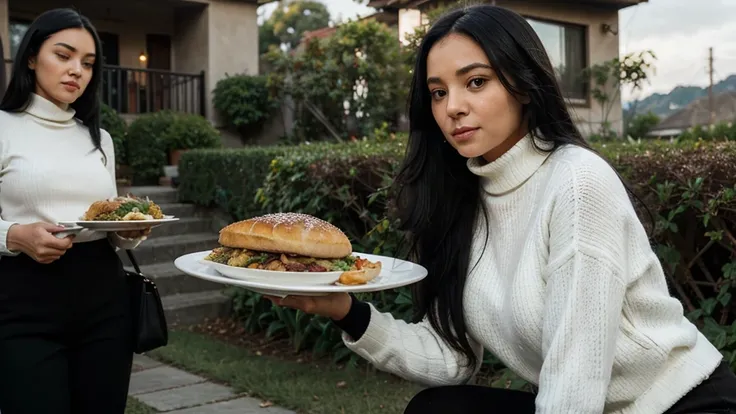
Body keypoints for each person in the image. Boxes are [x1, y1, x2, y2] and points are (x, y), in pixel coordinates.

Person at [267, 5, 736, 413]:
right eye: (438, 92)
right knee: (439, 409)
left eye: (476, 81)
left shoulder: (577, 182)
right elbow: (452, 359)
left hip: (681, 403)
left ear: (525, 86)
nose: (454, 106)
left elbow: (575, 383)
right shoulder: (465, 198)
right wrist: (346, 311)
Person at [0, 8, 149, 414]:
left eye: (87, 63)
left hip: (104, 295)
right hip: (22, 297)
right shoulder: (3, 127)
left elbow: (109, 219)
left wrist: (127, 232)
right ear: (31, 57)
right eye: (63, 55)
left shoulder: (99, 138)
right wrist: (13, 236)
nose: (76, 71)